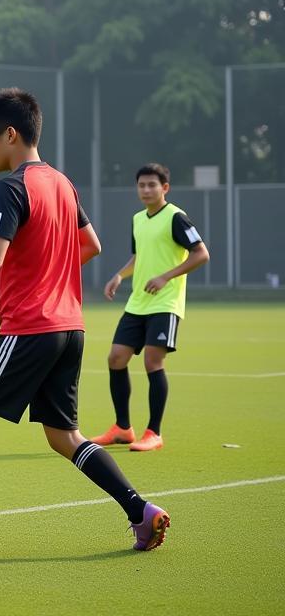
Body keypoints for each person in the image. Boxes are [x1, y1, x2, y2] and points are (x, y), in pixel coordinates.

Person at [0, 88, 170, 559]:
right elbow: (89, 245)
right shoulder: (63, 183)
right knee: (63, 436)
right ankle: (141, 511)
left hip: (31, 328)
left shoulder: (10, 186)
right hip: (70, 328)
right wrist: (27, 283)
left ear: (10, 134)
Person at [92, 163, 209, 452]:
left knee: (151, 363)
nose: (146, 190)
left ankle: (154, 433)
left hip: (165, 302)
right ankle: (122, 428)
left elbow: (201, 254)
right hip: (138, 303)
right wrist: (119, 275)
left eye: (152, 185)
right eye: (141, 185)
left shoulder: (176, 218)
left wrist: (165, 276)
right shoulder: (137, 219)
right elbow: (139, 257)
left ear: (164, 188)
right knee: (116, 358)